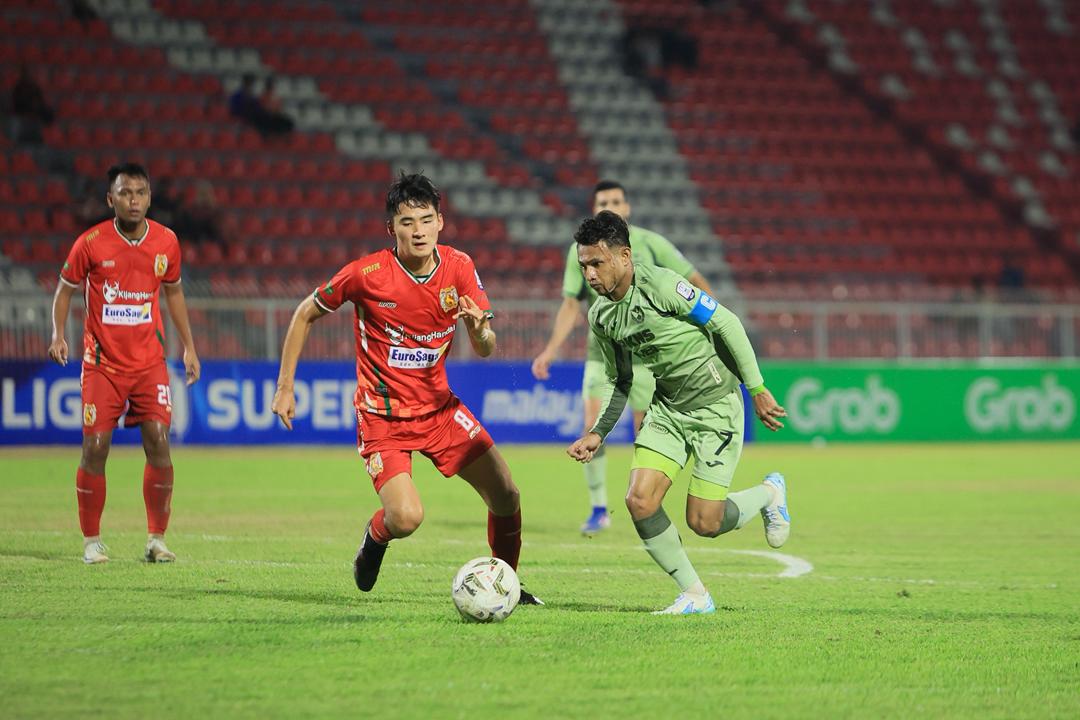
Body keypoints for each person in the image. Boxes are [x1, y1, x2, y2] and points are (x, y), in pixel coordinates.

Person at [271, 172, 542, 605]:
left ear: (440, 222)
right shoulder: (366, 274)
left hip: (439, 411)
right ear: (391, 228)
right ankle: (375, 537)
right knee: (406, 517)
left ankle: (506, 584)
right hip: (383, 418)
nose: (418, 231)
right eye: (407, 222)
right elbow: (305, 313)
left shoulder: (459, 267)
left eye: (426, 220)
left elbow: (486, 347)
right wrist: (285, 386)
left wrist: (479, 331)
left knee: (506, 494)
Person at [566, 211, 789, 615]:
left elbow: (726, 323)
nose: (590, 274)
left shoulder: (663, 286)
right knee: (639, 500)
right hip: (667, 409)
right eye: (584, 266)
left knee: (704, 522)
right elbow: (621, 380)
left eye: (597, 263)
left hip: (715, 406)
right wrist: (598, 432)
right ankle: (696, 595)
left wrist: (756, 388)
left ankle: (769, 494)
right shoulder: (601, 316)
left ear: (624, 256)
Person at [532, 180, 714, 535]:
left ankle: (647, 502)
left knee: (647, 434)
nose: (610, 206)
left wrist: (707, 324)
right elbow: (571, 303)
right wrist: (551, 349)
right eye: (603, 201)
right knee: (591, 425)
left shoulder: (651, 243)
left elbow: (694, 280)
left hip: (648, 358)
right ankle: (599, 508)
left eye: (616, 201)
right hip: (601, 356)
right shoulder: (581, 251)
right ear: (594, 207)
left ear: (627, 208)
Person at [48, 163, 201, 565]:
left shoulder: (166, 242)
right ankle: (92, 541)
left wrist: (189, 346)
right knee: (95, 447)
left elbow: (174, 294)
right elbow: (64, 290)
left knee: (159, 442)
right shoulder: (91, 243)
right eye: (125, 193)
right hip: (102, 365)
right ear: (110, 199)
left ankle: (156, 539)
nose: (133, 200)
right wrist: (58, 334)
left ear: (149, 198)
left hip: (149, 364)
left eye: (140, 193)